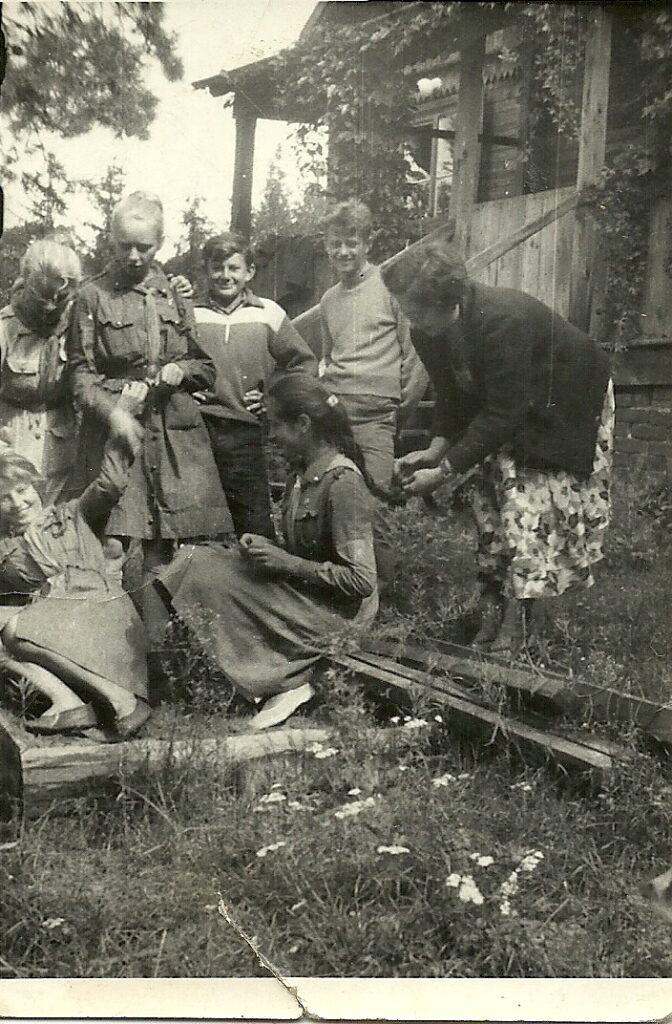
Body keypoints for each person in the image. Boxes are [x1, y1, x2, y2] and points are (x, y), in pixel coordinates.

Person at [383, 239, 613, 654]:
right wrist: (434, 451)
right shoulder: (427, 332)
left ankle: (518, 625)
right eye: (406, 310)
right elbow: (452, 396)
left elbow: (505, 413)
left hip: (567, 399)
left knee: (527, 505)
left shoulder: (501, 320)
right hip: (511, 402)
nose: (410, 319)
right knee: (488, 500)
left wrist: (444, 471)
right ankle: (492, 606)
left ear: (448, 300)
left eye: (417, 311)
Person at [157, 375, 379, 731]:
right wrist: (268, 550)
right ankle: (266, 671)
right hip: (311, 599)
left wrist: (286, 562)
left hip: (339, 618)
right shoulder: (301, 475)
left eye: (276, 425)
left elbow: (361, 581)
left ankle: (285, 681)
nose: (272, 435)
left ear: (303, 424)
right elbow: (305, 552)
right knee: (198, 559)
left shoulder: (342, 483)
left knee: (201, 569)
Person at [67, 192, 233, 647]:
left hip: (172, 437)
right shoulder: (91, 296)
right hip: (118, 437)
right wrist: (114, 412)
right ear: (111, 241)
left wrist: (181, 370)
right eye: (125, 246)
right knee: (111, 545)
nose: (134, 256)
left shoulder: (175, 294)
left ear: (160, 243)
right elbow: (80, 376)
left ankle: (162, 655)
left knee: (165, 549)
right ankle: (107, 651)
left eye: (145, 246)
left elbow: (205, 367)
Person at [0, 396, 149, 738]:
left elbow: (110, 485)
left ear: (36, 487)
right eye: (5, 497)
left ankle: (122, 700)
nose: (18, 503)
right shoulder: (6, 551)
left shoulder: (71, 514)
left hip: (101, 616)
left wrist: (119, 426)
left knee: (14, 629)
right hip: (60, 633)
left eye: (22, 490)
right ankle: (68, 703)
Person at [193, 231, 317, 538]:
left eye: (233, 268)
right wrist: (185, 390)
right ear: (206, 270)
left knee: (253, 522)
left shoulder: (268, 313)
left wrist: (271, 399)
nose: (225, 275)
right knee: (197, 520)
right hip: (197, 428)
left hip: (244, 429)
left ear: (249, 272)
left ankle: (259, 566)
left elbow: (304, 364)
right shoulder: (190, 313)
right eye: (217, 268)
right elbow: (173, 358)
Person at [319, 200, 428, 496]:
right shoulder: (328, 300)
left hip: (378, 415)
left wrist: (400, 410)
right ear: (327, 247)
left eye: (352, 243)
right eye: (335, 244)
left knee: (374, 494)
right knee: (332, 491)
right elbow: (328, 358)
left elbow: (417, 356)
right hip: (335, 411)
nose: (343, 251)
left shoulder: (390, 287)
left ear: (367, 244)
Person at [0, 238, 81, 505]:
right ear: (25, 283)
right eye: (41, 298)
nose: (50, 307)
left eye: (60, 298)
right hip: (12, 444)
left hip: (61, 446)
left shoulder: (77, 322)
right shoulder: (5, 327)